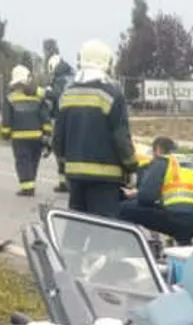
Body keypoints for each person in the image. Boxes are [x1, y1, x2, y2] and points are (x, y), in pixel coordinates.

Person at [53, 39, 138, 218]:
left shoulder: (67, 94)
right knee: (104, 231)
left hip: (75, 175)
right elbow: (120, 136)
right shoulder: (111, 93)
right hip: (105, 177)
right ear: (106, 63)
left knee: (77, 227)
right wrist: (131, 166)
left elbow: (58, 136)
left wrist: (63, 164)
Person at [119, 136, 193, 246]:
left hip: (177, 217)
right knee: (175, 209)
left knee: (122, 208)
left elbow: (146, 198)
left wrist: (134, 194)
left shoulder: (162, 162)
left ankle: (133, 246)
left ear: (157, 150)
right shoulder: (190, 164)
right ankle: (184, 243)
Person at [0, 65, 50, 197]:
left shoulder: (10, 98)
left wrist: (5, 134)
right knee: (33, 161)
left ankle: (27, 187)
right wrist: (47, 133)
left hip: (19, 138)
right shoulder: (38, 98)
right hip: (37, 137)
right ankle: (31, 182)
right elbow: (45, 117)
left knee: (23, 161)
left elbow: (7, 120)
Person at [42, 52, 76, 194]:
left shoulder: (60, 80)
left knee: (60, 149)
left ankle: (65, 182)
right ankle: (65, 182)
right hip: (74, 117)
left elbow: (56, 95)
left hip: (61, 117)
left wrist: (44, 92)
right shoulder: (72, 77)